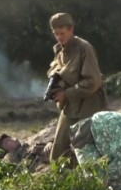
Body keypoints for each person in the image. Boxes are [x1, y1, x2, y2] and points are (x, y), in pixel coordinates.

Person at [46, 13, 107, 163]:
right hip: (70, 105)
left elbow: (93, 81)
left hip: (89, 104)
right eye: (56, 34)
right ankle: (65, 183)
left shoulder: (84, 48)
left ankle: (92, 183)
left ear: (71, 29)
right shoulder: (60, 51)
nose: (59, 37)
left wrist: (66, 94)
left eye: (62, 33)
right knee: (58, 154)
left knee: (86, 151)